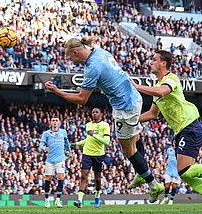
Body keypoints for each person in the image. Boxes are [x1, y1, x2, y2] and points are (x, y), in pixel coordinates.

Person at [44, 37, 164, 202]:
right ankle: (141, 173)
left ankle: (152, 183)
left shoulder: (92, 67)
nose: (71, 61)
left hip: (124, 108)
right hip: (134, 97)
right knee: (135, 138)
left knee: (128, 150)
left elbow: (82, 99)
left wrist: (57, 91)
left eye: (70, 57)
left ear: (76, 52)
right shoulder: (100, 52)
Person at [133, 50, 202, 213]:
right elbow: (153, 114)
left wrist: (136, 86)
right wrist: (131, 120)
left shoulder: (170, 79)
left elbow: (162, 92)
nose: (150, 62)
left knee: (183, 170)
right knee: (185, 174)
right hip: (183, 130)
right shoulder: (157, 87)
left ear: (163, 63)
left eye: (154, 59)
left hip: (189, 126)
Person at [72, 107, 110, 208]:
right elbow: (88, 140)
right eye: (93, 112)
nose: (94, 114)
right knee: (84, 176)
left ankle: (97, 195)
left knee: (97, 179)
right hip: (87, 153)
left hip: (98, 155)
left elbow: (106, 142)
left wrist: (94, 135)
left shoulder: (105, 125)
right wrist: (77, 144)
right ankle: (79, 201)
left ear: (101, 114)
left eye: (97, 112)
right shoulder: (88, 125)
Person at [39, 116, 71, 208]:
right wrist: (43, 148)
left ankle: (58, 200)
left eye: (56, 120)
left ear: (59, 122)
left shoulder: (63, 132)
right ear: (50, 122)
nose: (55, 122)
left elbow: (66, 142)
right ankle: (46, 200)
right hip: (50, 160)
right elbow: (41, 144)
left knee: (61, 177)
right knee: (48, 179)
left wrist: (69, 151)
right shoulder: (47, 133)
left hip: (60, 159)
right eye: (53, 120)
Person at [160, 140, 179, 205]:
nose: (175, 143)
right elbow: (165, 158)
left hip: (176, 171)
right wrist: (164, 163)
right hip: (169, 170)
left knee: (174, 185)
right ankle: (165, 197)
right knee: (167, 186)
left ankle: (171, 199)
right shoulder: (169, 150)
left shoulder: (179, 150)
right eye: (174, 142)